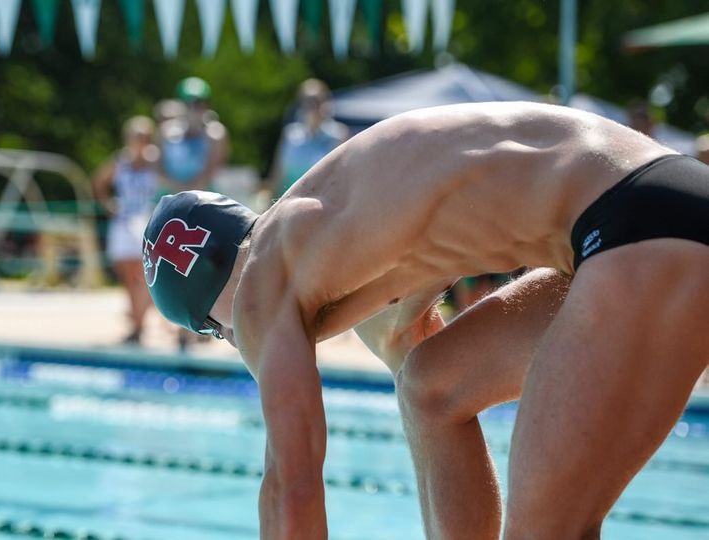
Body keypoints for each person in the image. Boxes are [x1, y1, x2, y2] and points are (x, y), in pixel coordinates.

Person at [141, 102, 709, 539]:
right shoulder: (326, 231)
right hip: (650, 205)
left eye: (214, 331)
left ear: (212, 310)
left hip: (641, 232)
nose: (236, 340)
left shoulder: (261, 292)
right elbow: (415, 355)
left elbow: (291, 489)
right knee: (430, 388)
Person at [93, 116, 162, 344]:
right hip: (123, 222)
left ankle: (139, 323)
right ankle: (137, 323)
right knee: (128, 277)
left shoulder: (156, 162)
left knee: (144, 275)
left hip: (145, 221)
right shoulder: (120, 160)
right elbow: (99, 181)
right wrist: (108, 205)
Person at [267, 79, 349, 199]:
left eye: (316, 101)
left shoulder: (338, 136)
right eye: (306, 101)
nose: (311, 107)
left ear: (326, 103)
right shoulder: (290, 135)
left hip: (323, 206)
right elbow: (278, 174)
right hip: (288, 202)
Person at [158, 77, 229, 194]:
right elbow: (158, 169)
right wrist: (179, 190)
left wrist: (187, 193)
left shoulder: (216, 134)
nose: (193, 109)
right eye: (188, 104)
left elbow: (212, 171)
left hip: (204, 196)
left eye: (199, 104)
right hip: (169, 194)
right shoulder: (165, 132)